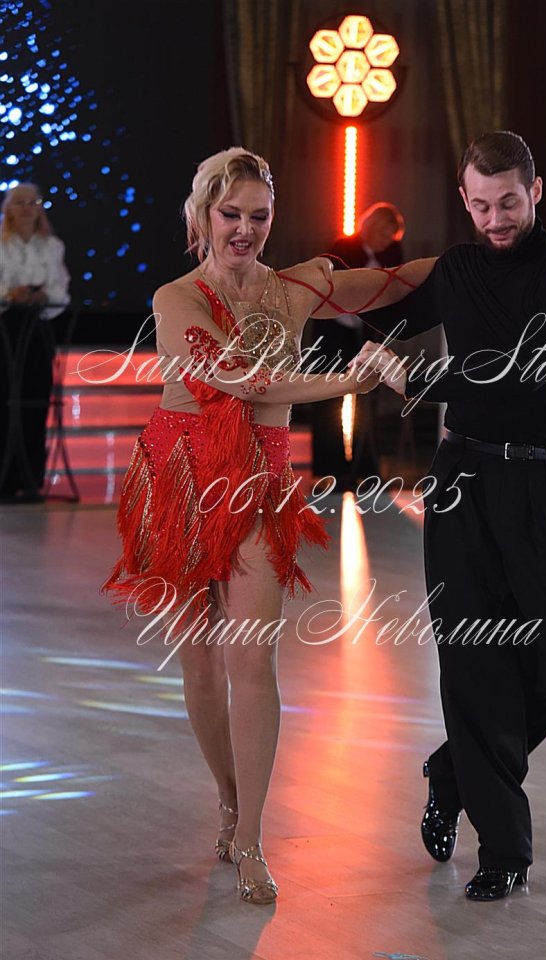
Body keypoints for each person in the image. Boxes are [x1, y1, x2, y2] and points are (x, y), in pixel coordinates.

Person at [100, 148, 408, 905]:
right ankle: (229, 798)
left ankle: (251, 838)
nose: (244, 228)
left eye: (258, 215)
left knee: (253, 659)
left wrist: (483, 249)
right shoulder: (176, 298)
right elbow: (238, 380)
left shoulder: (295, 286)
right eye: (230, 213)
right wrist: (350, 379)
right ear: (203, 215)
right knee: (202, 666)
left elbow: (400, 281)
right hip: (181, 482)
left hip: (260, 484)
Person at [353, 131, 546, 901]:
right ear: (464, 199)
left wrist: (414, 379)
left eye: (509, 202)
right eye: (482, 205)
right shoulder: (456, 268)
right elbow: (382, 315)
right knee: (474, 663)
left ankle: (453, 769)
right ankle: (504, 852)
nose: (496, 219)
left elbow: (519, 376)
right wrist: (298, 295)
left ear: (535, 192)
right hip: (460, 480)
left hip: (544, 481)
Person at [310, 202, 405, 483]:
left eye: (390, 237)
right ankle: (331, 469)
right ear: (371, 227)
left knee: (368, 399)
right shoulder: (342, 248)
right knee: (328, 397)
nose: (386, 241)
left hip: (367, 334)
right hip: (333, 332)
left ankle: (366, 467)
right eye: (383, 234)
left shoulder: (391, 253)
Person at [0, 183, 70, 502]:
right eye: (20, 202)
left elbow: (60, 287)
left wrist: (41, 295)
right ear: (8, 208)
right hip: (5, 328)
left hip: (38, 328)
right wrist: (9, 294)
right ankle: (4, 478)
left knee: (35, 395)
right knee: (5, 397)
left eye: (33, 202)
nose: (27, 208)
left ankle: (30, 478)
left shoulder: (52, 246)